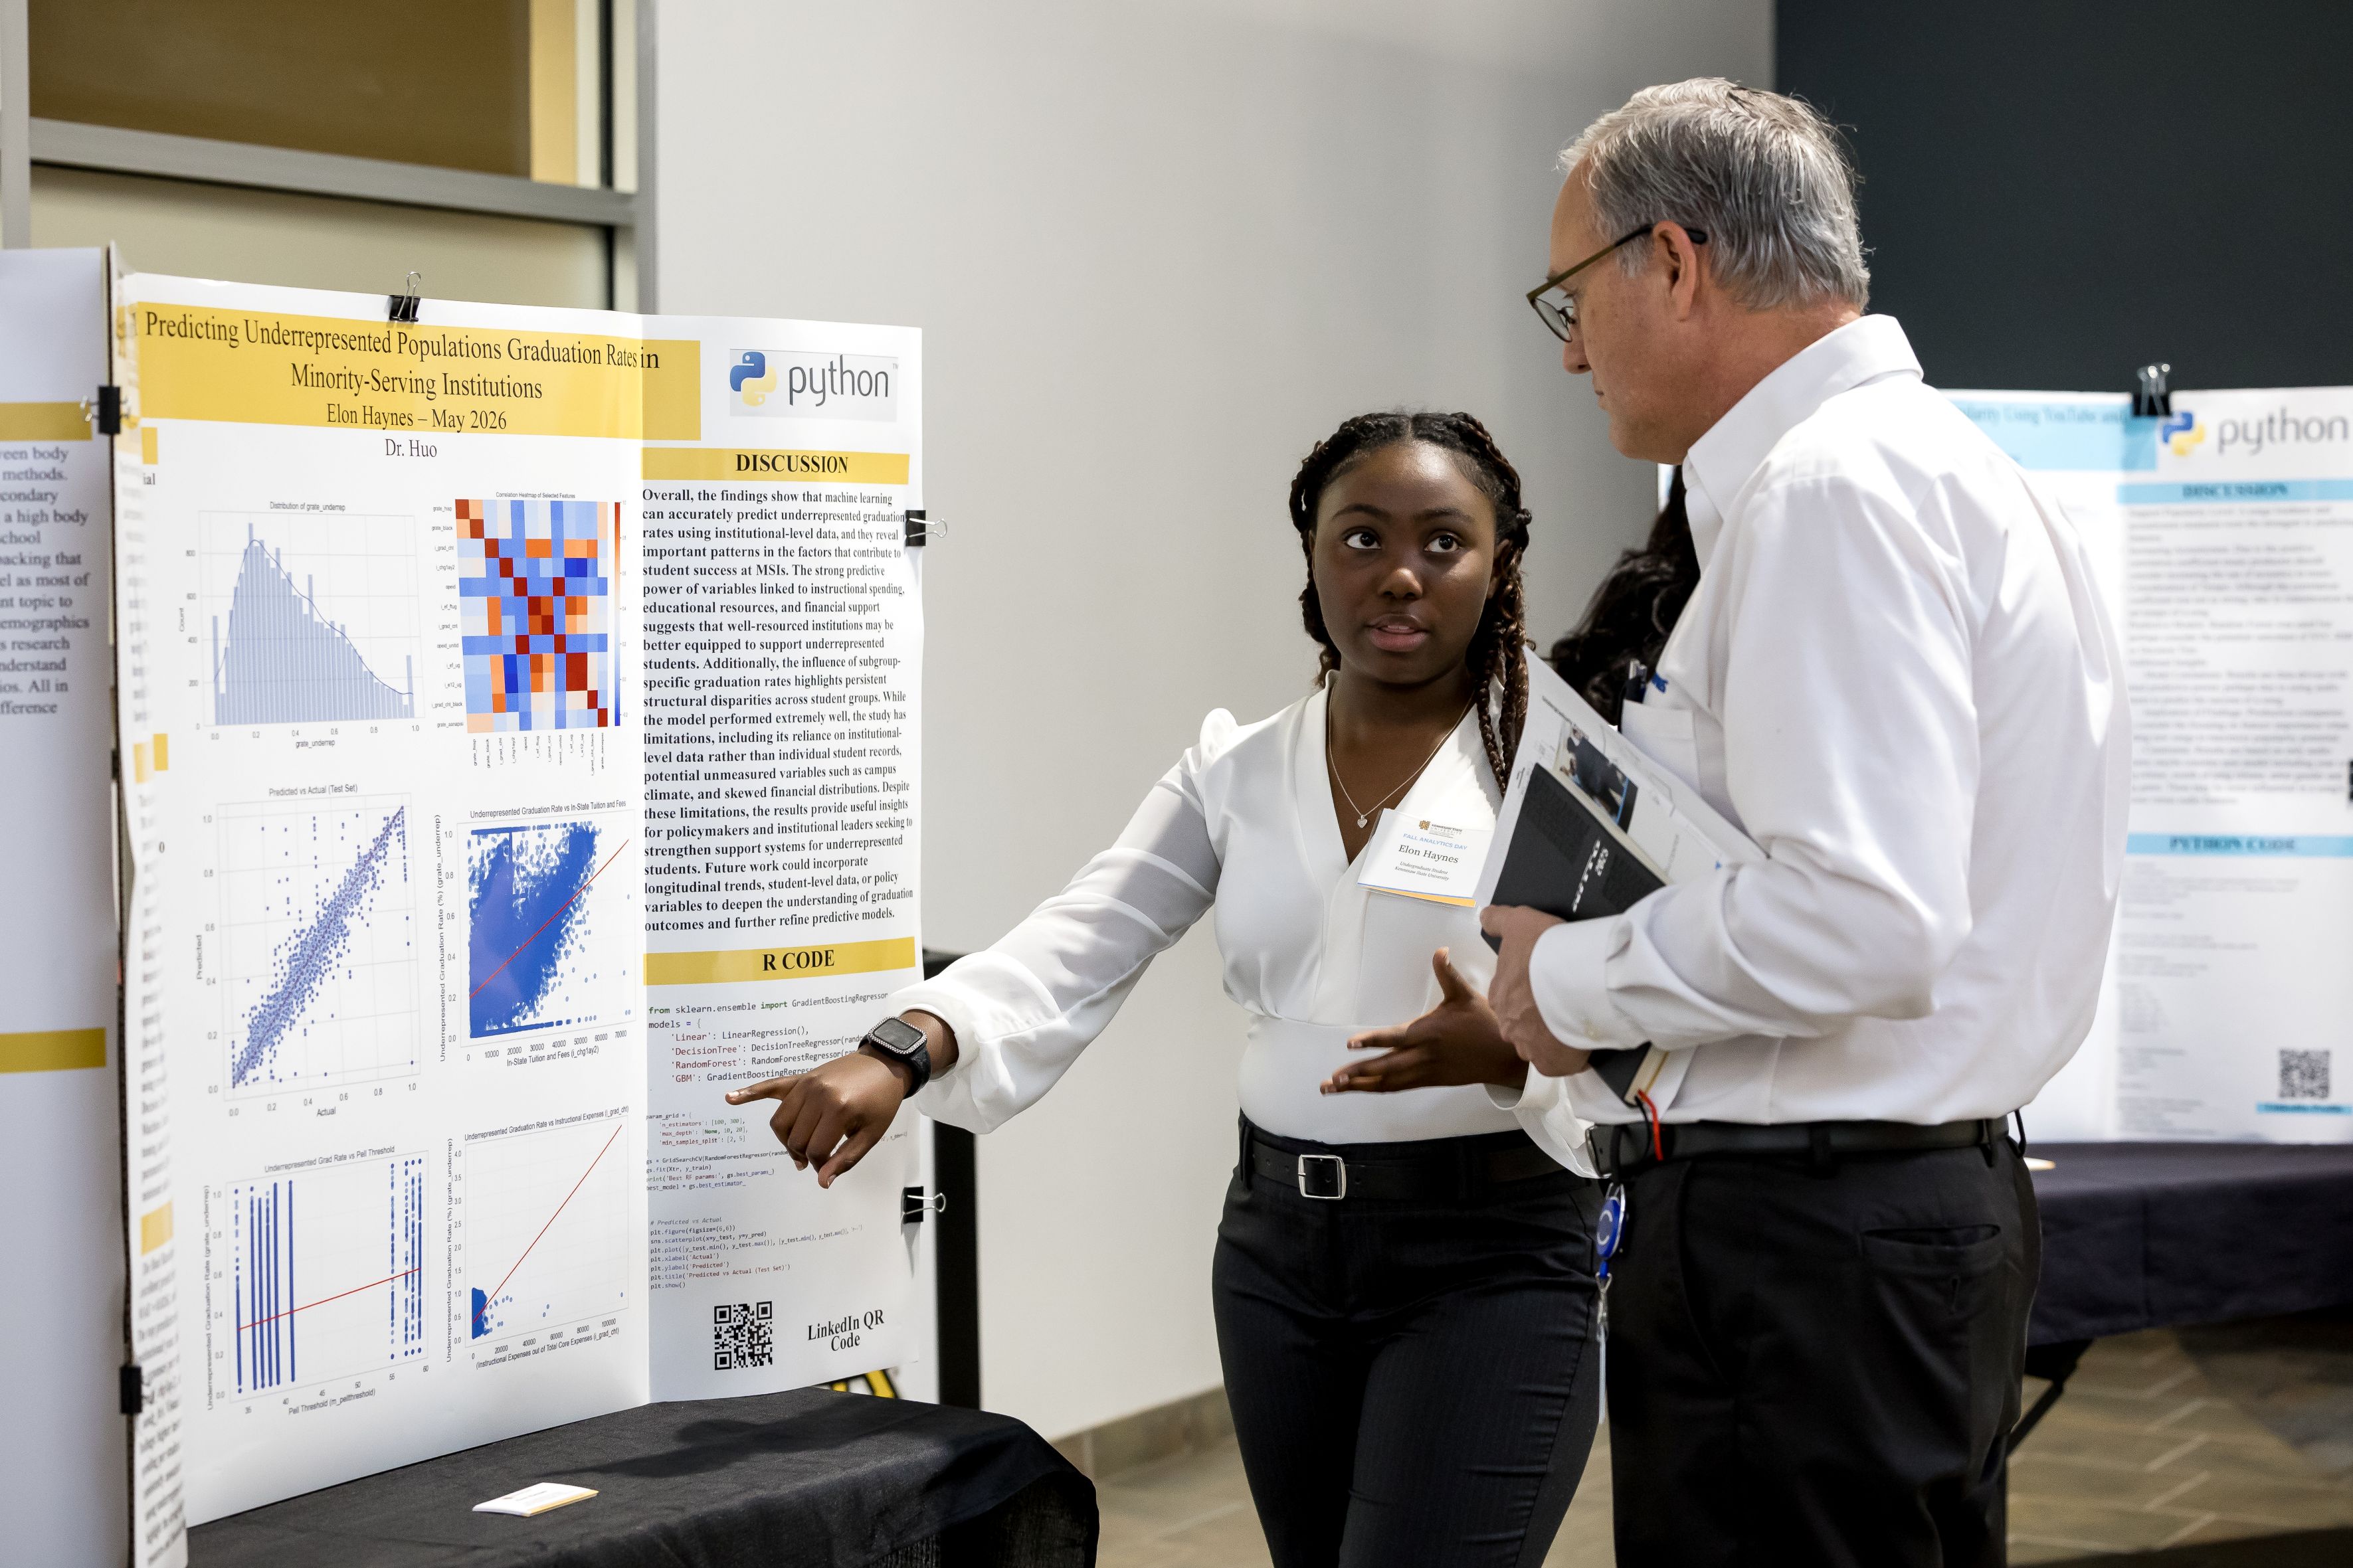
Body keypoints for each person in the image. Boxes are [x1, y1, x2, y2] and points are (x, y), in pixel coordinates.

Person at [727, 411, 1606, 1568]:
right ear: (1310, 556)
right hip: (1279, 1257)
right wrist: (903, 1045)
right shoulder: (1237, 768)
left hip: (1494, 1256)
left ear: (1497, 569)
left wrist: (1516, 1051)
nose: (1399, 572)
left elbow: (1657, 1005)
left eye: (1444, 542)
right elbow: (1087, 931)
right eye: (1361, 538)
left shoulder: (1563, 761)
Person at [1487, 80, 2128, 1567]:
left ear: (1673, 261)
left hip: (1805, 1246)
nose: (1572, 348)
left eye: (1569, 296)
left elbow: (1863, 917)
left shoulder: (1828, 491)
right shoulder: (1943, 467)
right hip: (1886, 1220)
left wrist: (1560, 984)